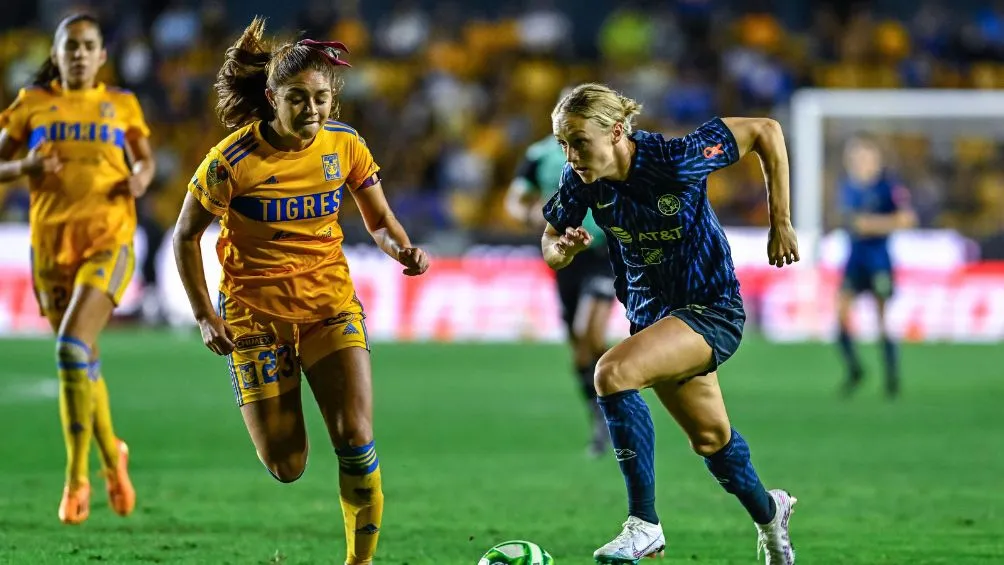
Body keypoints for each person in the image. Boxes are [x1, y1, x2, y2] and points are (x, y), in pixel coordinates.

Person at [172, 17, 428, 565]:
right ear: (272, 98)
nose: (312, 109)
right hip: (254, 317)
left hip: (328, 307)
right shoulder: (231, 161)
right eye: (297, 98)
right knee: (286, 465)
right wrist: (204, 314)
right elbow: (185, 235)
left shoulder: (346, 144)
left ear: (333, 98)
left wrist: (402, 248)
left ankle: (360, 561)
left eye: (321, 98)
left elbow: (379, 221)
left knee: (355, 435)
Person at [541, 83, 800, 564]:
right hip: (652, 320)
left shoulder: (676, 159)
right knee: (712, 441)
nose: (570, 155)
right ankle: (771, 515)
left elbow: (766, 130)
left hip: (710, 309)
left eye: (578, 142)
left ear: (616, 132)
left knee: (612, 372)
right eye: (563, 144)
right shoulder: (582, 180)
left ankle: (644, 524)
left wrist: (780, 221)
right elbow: (551, 241)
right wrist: (563, 250)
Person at [0, 13, 153, 525]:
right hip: (50, 250)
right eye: (72, 47)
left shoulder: (122, 105)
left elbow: (145, 160)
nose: (81, 54)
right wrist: (24, 167)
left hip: (110, 240)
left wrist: (140, 177)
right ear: (57, 54)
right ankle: (114, 457)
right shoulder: (32, 104)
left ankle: (75, 479)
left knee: (70, 347)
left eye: (89, 46)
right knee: (83, 359)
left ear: (102, 55)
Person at [505, 119, 614, 458]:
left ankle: (618, 390)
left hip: (604, 252)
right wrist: (528, 216)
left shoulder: (606, 147)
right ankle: (601, 415)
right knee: (580, 349)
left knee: (588, 332)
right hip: (565, 256)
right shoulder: (539, 155)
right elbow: (515, 199)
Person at [836, 134, 915, 399]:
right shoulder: (848, 186)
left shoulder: (888, 187)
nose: (859, 161)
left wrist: (873, 225)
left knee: (882, 319)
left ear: (876, 159)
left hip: (879, 260)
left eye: (864, 156)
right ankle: (855, 370)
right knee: (840, 314)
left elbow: (907, 219)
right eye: (854, 157)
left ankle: (892, 378)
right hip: (854, 260)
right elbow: (850, 221)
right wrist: (864, 225)